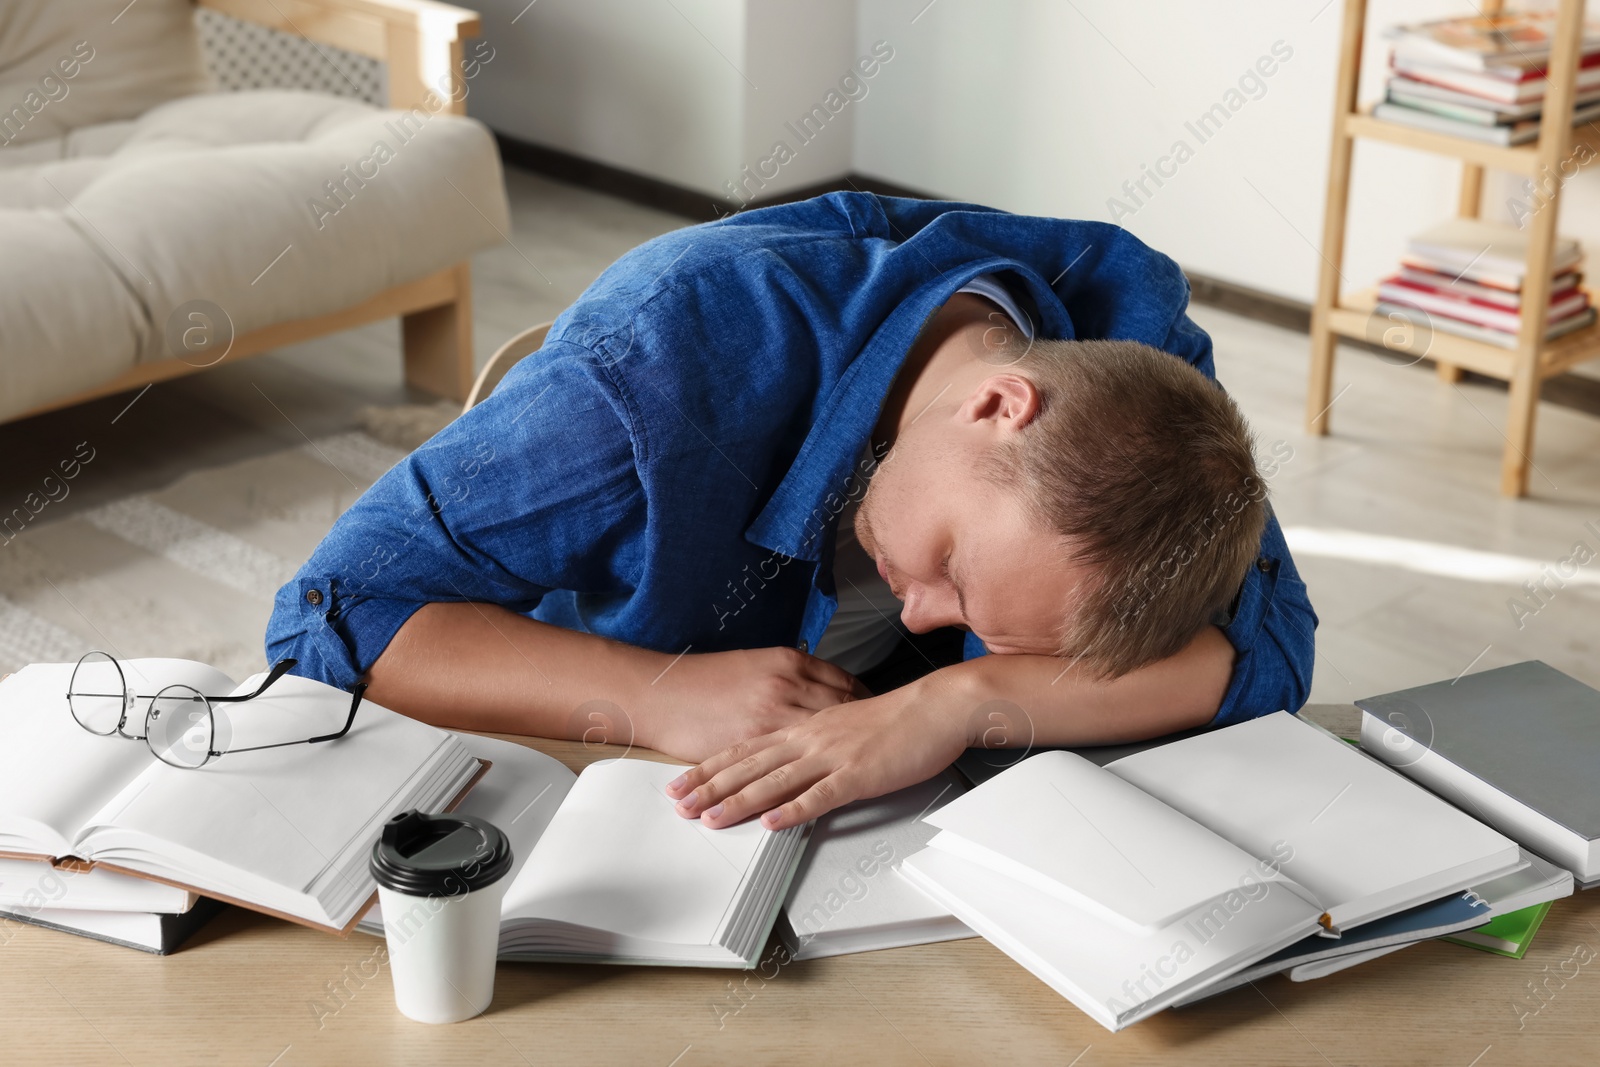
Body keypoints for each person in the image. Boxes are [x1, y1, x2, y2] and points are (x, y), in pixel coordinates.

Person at [265, 191, 1316, 833]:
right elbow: (332, 613)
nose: (924, 622)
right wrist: (661, 694)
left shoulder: (1145, 380)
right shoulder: (668, 358)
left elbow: (1267, 649)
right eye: (951, 570)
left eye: (975, 619)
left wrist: (953, 702)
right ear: (997, 404)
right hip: (627, 765)